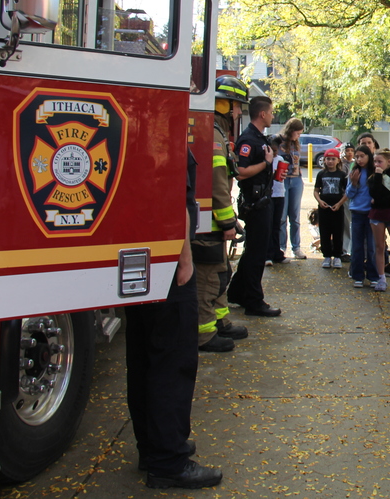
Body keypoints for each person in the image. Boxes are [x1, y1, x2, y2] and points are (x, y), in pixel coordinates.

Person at [127, 150, 222, 489]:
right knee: (173, 362)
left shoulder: (138, 131)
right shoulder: (165, 131)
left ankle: (151, 448)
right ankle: (169, 460)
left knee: (143, 359)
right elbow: (173, 200)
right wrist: (183, 260)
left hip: (138, 256)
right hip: (166, 262)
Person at [192, 76, 250, 353]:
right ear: (224, 103)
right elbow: (215, 182)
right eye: (237, 106)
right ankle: (203, 335)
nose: (239, 112)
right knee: (208, 277)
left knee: (220, 272)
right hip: (209, 222)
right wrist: (227, 220)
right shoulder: (212, 135)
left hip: (215, 219)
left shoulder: (217, 132)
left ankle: (220, 321)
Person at [228, 96, 281, 317]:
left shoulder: (259, 137)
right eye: (271, 112)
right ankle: (254, 301)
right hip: (255, 203)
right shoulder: (249, 139)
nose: (272, 115)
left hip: (263, 199)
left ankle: (236, 293)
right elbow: (240, 172)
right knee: (256, 254)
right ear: (262, 114)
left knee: (253, 252)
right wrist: (266, 164)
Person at [368, 149, 390, 293]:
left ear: (389, 161)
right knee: (379, 247)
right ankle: (381, 278)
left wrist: (380, 200)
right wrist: (378, 175)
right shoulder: (373, 177)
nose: (377, 164)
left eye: (380, 161)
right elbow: (374, 193)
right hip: (376, 215)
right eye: (375, 161)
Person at [345, 145, 380, 288]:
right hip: (357, 212)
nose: (359, 159)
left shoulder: (374, 171)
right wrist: (353, 183)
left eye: (362, 156)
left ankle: (373, 276)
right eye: (357, 157)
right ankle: (357, 276)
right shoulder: (354, 172)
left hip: (371, 213)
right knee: (357, 246)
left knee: (372, 246)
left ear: (368, 156)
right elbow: (349, 194)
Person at [314, 148, 347, 268]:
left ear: (338, 160)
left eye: (333, 159)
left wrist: (339, 204)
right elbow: (316, 190)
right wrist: (320, 201)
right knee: (324, 231)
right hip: (324, 208)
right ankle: (327, 256)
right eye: (328, 159)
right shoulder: (321, 174)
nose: (330, 161)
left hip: (338, 208)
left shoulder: (342, 175)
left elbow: (346, 192)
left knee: (338, 232)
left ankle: (337, 256)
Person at [278, 119, 306, 259]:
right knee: (282, 217)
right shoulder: (278, 142)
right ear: (291, 130)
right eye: (297, 133)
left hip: (296, 180)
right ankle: (281, 247)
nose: (298, 136)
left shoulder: (296, 144)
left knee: (295, 217)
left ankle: (296, 247)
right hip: (283, 180)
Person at [266, 135, 289, 266]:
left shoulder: (280, 159)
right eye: (273, 150)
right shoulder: (265, 160)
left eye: (277, 150)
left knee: (277, 224)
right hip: (269, 195)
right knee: (268, 225)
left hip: (280, 194)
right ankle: (267, 254)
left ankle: (277, 253)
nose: (275, 153)